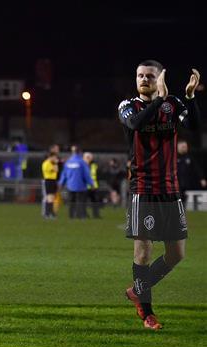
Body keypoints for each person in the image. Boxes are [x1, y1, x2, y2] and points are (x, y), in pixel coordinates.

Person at [118, 60, 201, 330]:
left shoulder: (173, 104)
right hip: (143, 189)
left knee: (177, 254)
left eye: (150, 76)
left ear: (160, 78)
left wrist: (190, 97)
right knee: (143, 251)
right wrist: (159, 100)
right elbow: (136, 124)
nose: (144, 79)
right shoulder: (128, 105)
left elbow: (195, 127)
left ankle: (138, 290)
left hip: (170, 189)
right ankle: (147, 312)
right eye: (140, 75)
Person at [58, 145, 93, 219]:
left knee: (71, 201)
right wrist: (91, 183)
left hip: (70, 186)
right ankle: (81, 215)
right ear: (80, 152)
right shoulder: (82, 162)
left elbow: (64, 174)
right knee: (81, 201)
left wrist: (61, 183)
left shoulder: (68, 162)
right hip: (81, 186)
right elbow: (86, 174)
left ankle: (71, 216)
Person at [176, 140, 206, 204]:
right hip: (176, 183)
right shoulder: (174, 157)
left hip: (187, 183)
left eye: (186, 147)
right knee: (178, 198)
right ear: (178, 147)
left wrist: (202, 178)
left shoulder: (189, 157)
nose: (185, 148)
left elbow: (197, 169)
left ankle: (183, 211)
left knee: (184, 198)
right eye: (183, 146)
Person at [83, 152, 101, 218]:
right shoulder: (82, 165)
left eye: (90, 157)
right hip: (85, 187)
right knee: (84, 202)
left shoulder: (94, 165)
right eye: (87, 157)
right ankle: (84, 214)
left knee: (95, 202)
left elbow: (97, 175)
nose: (89, 159)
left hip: (94, 187)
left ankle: (96, 215)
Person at [41, 151, 59, 218]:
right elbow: (55, 170)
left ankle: (50, 213)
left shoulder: (51, 163)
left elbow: (56, 170)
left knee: (52, 198)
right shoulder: (46, 163)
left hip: (53, 181)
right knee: (49, 198)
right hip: (49, 181)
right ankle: (48, 213)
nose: (55, 158)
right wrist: (56, 163)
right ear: (50, 157)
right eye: (54, 157)